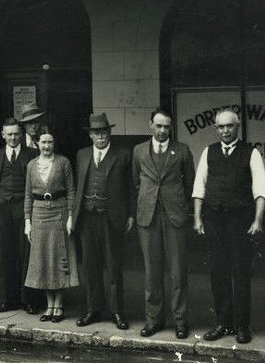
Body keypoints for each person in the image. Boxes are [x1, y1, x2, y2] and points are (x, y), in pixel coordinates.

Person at [192, 108, 265, 345]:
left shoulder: (251, 153)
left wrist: (258, 220)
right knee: (218, 273)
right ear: (216, 128)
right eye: (221, 127)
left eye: (230, 126)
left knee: (240, 273)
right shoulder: (209, 152)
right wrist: (197, 218)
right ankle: (222, 323)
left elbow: (261, 190)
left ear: (237, 127)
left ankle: (242, 326)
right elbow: (199, 188)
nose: (225, 131)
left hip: (240, 223)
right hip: (214, 222)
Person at [131, 108, 196, 339]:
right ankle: (153, 320)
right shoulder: (139, 151)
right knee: (152, 272)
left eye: (166, 126)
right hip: (148, 218)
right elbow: (137, 183)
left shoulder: (182, 151)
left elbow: (189, 185)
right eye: (158, 126)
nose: (162, 130)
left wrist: (177, 205)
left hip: (174, 217)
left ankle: (180, 321)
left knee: (178, 272)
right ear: (150, 125)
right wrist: (148, 203)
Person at [72, 112, 132, 330]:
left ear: (110, 133)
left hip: (111, 217)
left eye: (104, 132)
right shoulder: (82, 154)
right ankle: (93, 310)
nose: (101, 136)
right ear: (90, 136)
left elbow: (130, 188)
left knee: (114, 266)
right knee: (91, 266)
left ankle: (117, 312)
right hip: (87, 217)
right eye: (96, 133)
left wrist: (131, 215)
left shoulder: (123, 154)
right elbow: (78, 187)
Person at [23, 129, 78, 322]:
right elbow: (28, 195)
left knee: (58, 257)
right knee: (43, 258)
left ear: (54, 144)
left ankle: (59, 304)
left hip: (59, 211)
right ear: (37, 143)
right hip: (39, 214)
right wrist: (27, 221)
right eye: (43, 142)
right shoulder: (31, 165)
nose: (46, 146)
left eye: (50, 142)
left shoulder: (63, 162)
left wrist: (71, 216)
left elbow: (71, 190)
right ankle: (49, 305)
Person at [0, 117, 38, 313]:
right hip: (2, 208)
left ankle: (28, 300)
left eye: (16, 134)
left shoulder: (32, 154)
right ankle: (7, 300)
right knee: (5, 253)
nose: (13, 138)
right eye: (9, 134)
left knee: (26, 253)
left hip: (24, 208)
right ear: (3, 135)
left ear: (21, 134)